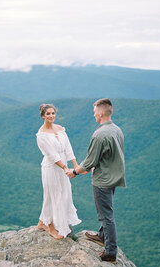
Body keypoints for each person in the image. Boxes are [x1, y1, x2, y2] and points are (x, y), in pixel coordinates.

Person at [66, 98, 126, 263]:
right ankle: (102, 236)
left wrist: (74, 172)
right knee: (107, 211)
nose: (94, 116)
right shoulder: (116, 129)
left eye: (94, 113)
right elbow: (110, 154)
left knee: (106, 216)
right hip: (114, 176)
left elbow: (90, 161)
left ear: (100, 113)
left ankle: (110, 252)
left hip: (103, 180)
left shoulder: (99, 134)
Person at [36, 103, 81, 239]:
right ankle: (51, 227)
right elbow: (52, 155)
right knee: (53, 195)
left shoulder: (60, 129)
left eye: (53, 113)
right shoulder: (41, 135)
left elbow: (68, 148)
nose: (51, 116)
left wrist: (76, 165)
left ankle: (42, 222)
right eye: (48, 114)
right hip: (51, 168)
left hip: (63, 166)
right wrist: (66, 168)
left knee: (64, 193)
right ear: (43, 116)